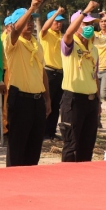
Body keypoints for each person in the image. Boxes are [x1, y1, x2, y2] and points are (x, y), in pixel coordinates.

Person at [4, 0, 51, 167]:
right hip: (20, 100)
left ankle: (30, 180)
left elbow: (42, 72)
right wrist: (31, 8)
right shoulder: (12, 42)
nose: (30, 23)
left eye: (32, 20)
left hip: (37, 101)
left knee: (34, 148)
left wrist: (47, 98)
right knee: (17, 148)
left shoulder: (36, 44)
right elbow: (15, 32)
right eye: (26, 20)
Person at [60, 3, 101, 162]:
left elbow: (95, 76)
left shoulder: (93, 49)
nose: (89, 27)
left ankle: (84, 176)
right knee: (72, 145)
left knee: (87, 145)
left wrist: (98, 101)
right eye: (85, 24)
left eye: (91, 24)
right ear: (76, 25)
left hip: (91, 101)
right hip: (74, 100)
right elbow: (68, 33)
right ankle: (67, 175)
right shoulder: (70, 44)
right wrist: (86, 11)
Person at [40, 8, 66, 140]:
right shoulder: (46, 34)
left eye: (61, 22)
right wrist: (56, 13)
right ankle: (43, 132)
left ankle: (51, 132)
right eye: (56, 21)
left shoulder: (62, 36)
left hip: (61, 73)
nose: (59, 24)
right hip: (49, 72)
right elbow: (44, 28)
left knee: (56, 104)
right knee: (46, 102)